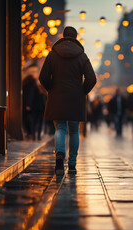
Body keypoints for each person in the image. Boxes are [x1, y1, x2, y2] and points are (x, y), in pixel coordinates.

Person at [39, 26, 96, 174]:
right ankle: (72, 164)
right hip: (76, 98)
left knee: (60, 128)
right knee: (74, 131)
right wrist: (82, 91)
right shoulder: (82, 56)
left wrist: (51, 88)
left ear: (63, 36)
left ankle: (59, 158)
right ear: (76, 37)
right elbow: (92, 79)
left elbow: (43, 77)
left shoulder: (52, 55)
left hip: (57, 97)